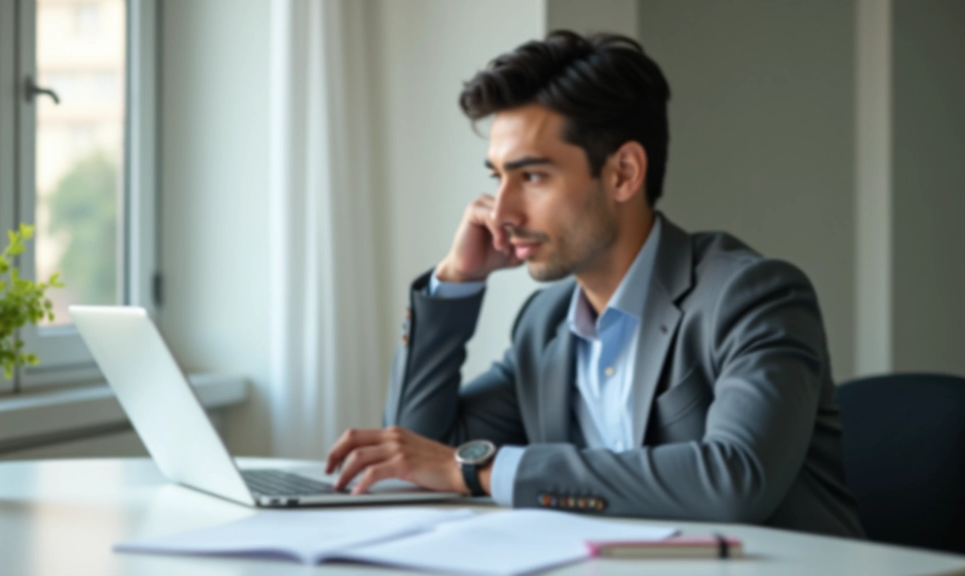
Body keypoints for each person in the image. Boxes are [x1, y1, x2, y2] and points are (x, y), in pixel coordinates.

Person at [324, 30, 865, 538]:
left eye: (532, 176)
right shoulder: (543, 325)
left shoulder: (753, 297)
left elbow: (733, 481)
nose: (501, 211)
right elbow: (418, 454)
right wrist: (456, 282)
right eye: (497, 177)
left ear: (624, 173)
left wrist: (482, 470)